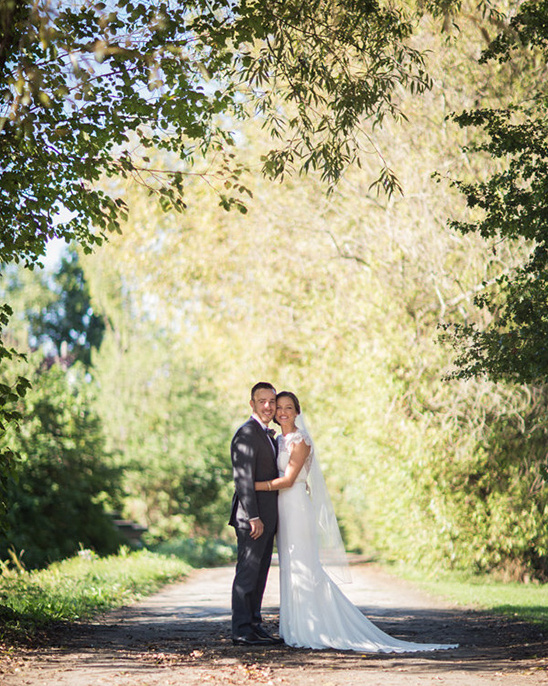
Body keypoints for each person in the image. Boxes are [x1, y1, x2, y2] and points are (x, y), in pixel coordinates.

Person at [255, 391, 458, 653]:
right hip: (281, 508)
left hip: (296, 505)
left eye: (288, 407)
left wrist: (251, 486)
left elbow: (289, 480)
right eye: (279, 407)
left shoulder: (300, 440)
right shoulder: (277, 440)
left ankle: (315, 628)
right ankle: (294, 627)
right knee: (290, 568)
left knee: (305, 566)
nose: (282, 412)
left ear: (297, 411)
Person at [229, 382, 283, 646]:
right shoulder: (247, 434)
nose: (268, 406)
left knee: (260, 574)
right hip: (252, 519)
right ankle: (241, 630)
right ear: (252, 403)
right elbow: (242, 480)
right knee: (248, 574)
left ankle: (254, 624)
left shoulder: (266, 434)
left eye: (272, 401)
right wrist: (253, 517)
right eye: (262, 401)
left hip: (265, 518)